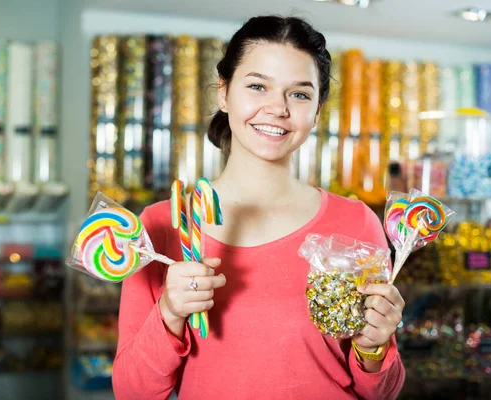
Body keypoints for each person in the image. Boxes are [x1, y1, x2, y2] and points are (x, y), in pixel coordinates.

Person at [113, 15, 405, 400]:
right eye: (257, 86)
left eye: (299, 94)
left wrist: (375, 345)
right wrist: (170, 312)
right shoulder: (160, 227)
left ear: (317, 111)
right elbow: (132, 393)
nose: (277, 108)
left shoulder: (355, 223)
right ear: (223, 93)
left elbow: (382, 393)